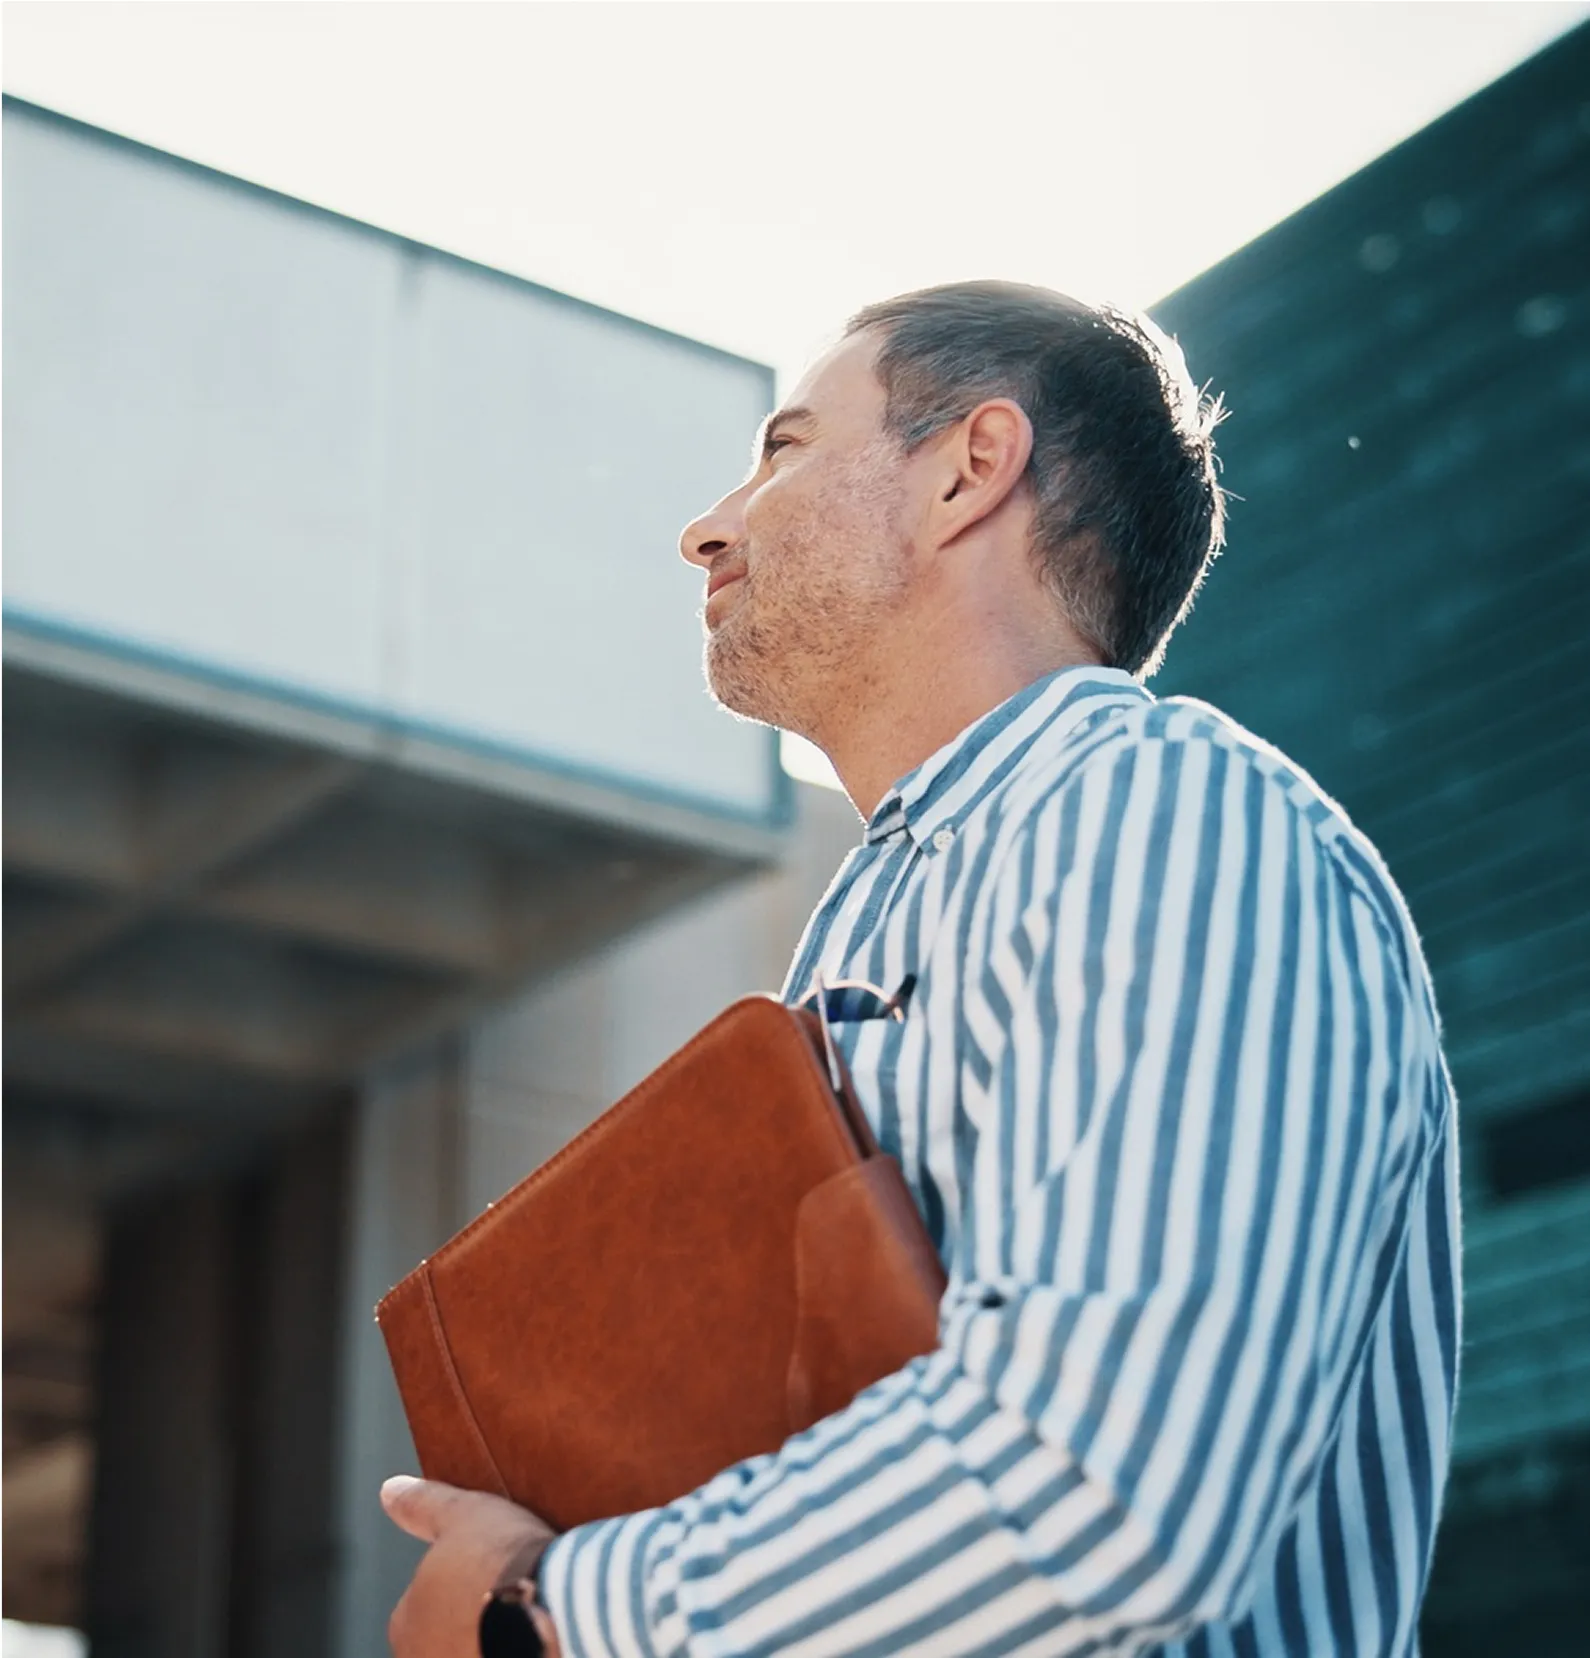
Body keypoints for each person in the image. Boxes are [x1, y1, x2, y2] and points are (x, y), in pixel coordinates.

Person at [381, 281, 1460, 1657]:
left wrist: (547, 1606)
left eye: (782, 450)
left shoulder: (1166, 813)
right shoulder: (879, 912)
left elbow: (1101, 1500)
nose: (707, 525)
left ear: (968, 468)